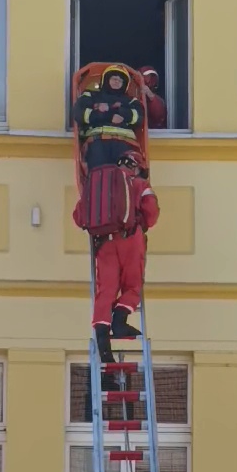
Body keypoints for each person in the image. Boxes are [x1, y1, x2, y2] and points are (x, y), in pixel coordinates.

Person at [73, 151, 160, 366]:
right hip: (131, 240)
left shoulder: (96, 185)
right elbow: (151, 215)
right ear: (136, 167)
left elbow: (78, 216)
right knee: (133, 286)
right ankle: (120, 321)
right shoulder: (140, 184)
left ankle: (103, 343)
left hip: (105, 244)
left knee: (106, 291)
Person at [74, 64, 145, 172]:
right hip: (97, 143)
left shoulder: (131, 100)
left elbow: (139, 117)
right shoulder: (91, 95)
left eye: (120, 80)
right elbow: (79, 113)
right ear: (106, 79)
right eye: (114, 78)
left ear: (125, 85)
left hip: (124, 144)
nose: (117, 82)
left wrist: (118, 110)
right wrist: (106, 116)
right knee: (98, 175)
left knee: (123, 178)